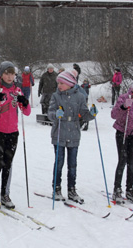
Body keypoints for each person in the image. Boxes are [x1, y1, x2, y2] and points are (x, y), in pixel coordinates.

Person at [47, 70, 97, 204]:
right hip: (59, 133)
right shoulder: (56, 96)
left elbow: (84, 114)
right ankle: (56, 188)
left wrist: (92, 114)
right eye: (58, 83)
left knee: (72, 164)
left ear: (70, 83)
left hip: (74, 133)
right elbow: (50, 112)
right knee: (59, 163)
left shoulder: (80, 97)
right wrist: (55, 114)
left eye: (62, 83)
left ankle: (71, 189)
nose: (59, 86)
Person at [0, 61, 31, 209]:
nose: (10, 77)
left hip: (12, 132)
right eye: (7, 73)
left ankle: (5, 194)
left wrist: (24, 102)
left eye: (12, 74)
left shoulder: (17, 90)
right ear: (1, 74)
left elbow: (27, 112)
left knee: (8, 164)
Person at [111, 78, 133, 204]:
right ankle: (117, 189)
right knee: (122, 160)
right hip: (122, 132)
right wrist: (123, 107)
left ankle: (130, 189)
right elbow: (114, 115)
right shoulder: (124, 98)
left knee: (131, 162)